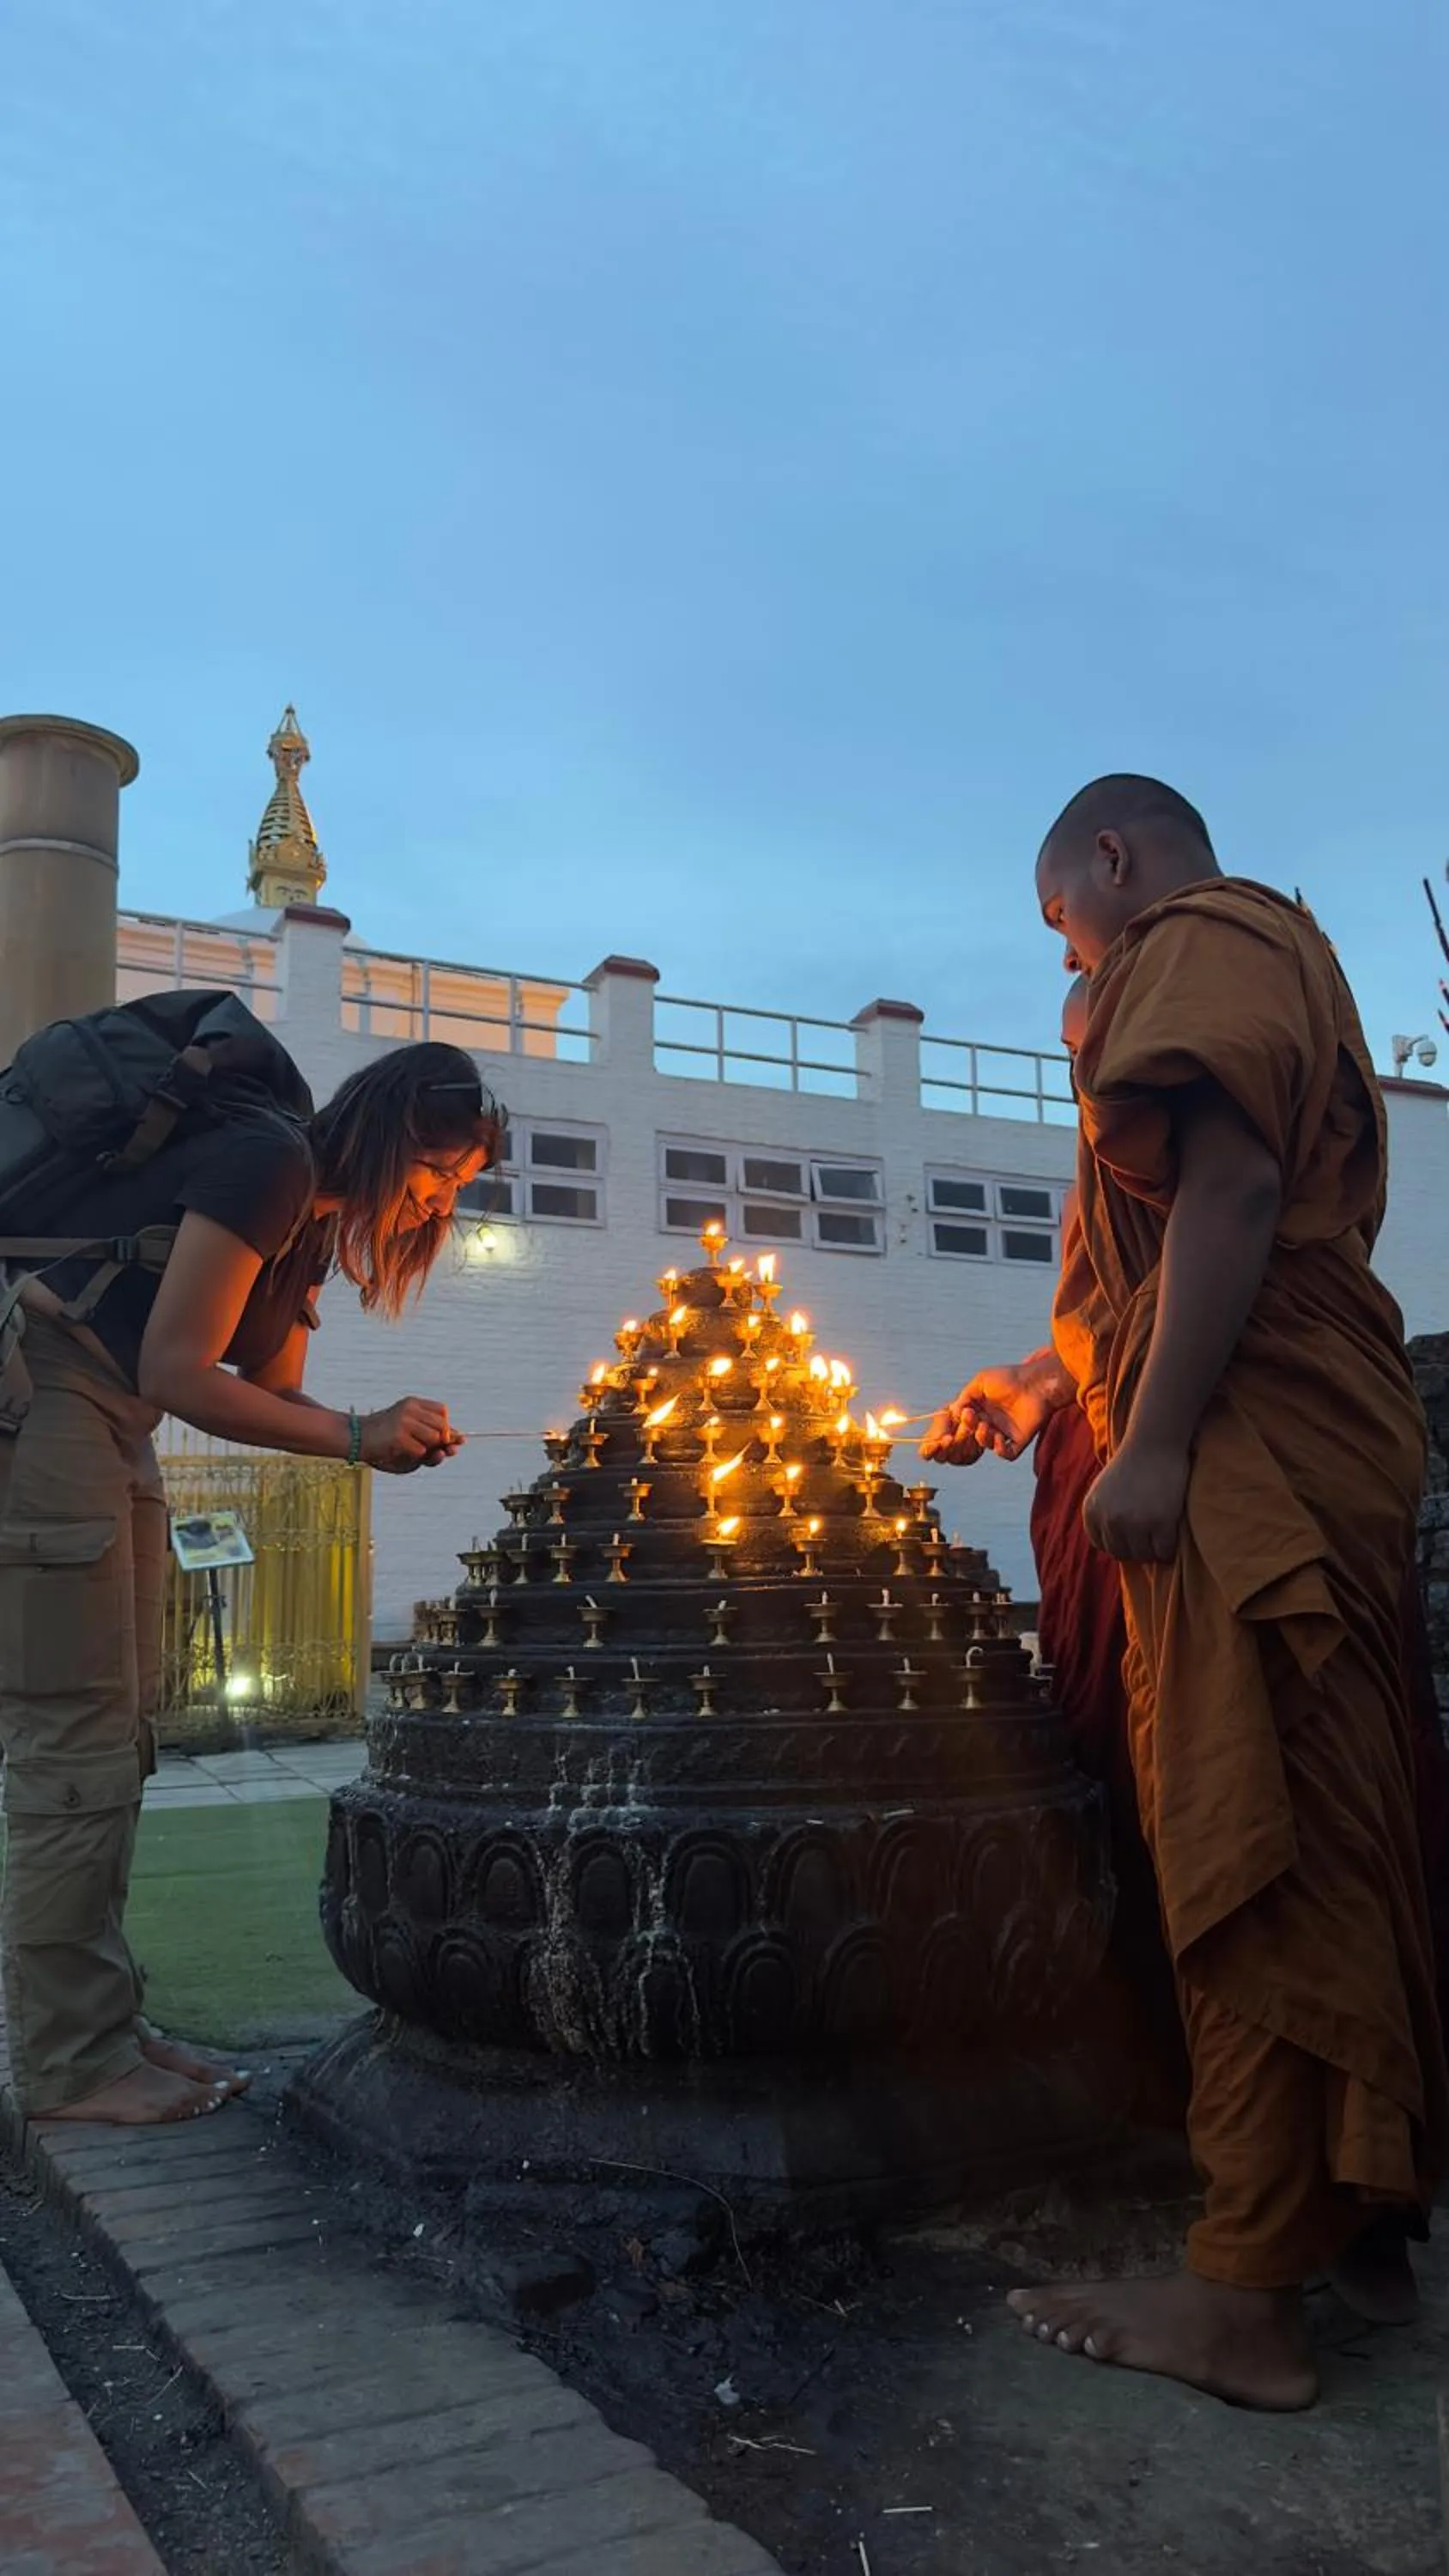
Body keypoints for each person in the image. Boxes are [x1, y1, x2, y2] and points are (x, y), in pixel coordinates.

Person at [987, 775, 1447, 2409]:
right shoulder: (1244, 961)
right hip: (1269, 1434)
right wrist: (1038, 1393)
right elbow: (1146, 1260)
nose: (1074, 967)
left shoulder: (1204, 935)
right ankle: (1340, 2214)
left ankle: (1244, 2290)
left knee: (1247, 1834)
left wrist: (1161, 1439)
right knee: (1321, 1822)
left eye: (1063, 923)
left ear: (1109, 863)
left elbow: (1237, 1197)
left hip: (1251, 1449)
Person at [0, 1039, 503, 2131]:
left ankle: (103, 2025)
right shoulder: (267, 1160)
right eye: (440, 1174)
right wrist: (358, 1434)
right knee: (77, 1736)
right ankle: (67, 2063)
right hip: (45, 1396)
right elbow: (180, 1374)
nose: (438, 1205)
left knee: (124, 1728)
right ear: (393, 1138)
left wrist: (342, 1365)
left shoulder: (299, 1208)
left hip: (106, 1416)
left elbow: (269, 1386)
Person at [925, 981, 1189, 2120]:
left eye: (1094, 1047)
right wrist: (1036, 1385)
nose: (1083, 1078)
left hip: (1200, 1483)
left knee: (1217, 1789)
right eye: (1073, 1056)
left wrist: (1156, 1442)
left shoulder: (1216, 1128)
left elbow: (1221, 1286)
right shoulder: (1101, 1172)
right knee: (1117, 1775)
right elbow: (1110, 1323)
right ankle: (1149, 2067)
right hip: (1100, 1476)